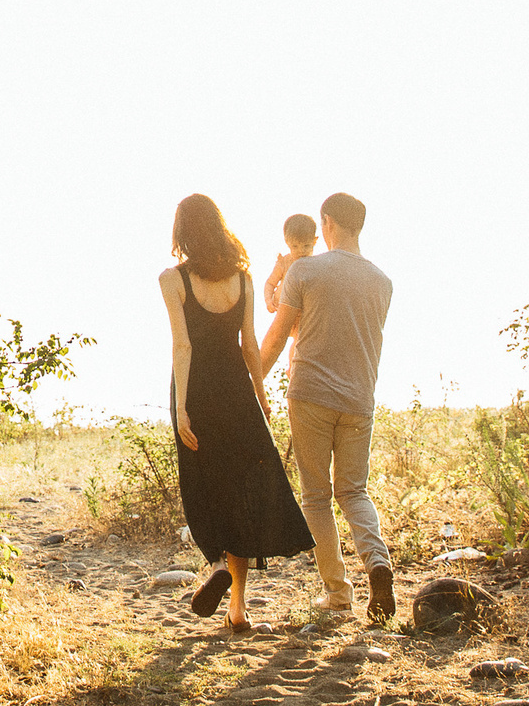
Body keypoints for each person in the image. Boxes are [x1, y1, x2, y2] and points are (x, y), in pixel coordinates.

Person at [159, 193, 315, 631]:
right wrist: (261, 394)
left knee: (207, 485)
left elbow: (183, 345)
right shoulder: (244, 280)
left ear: (182, 231)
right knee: (242, 487)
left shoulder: (173, 280)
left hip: (198, 391)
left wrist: (182, 407)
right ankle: (238, 608)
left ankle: (217, 566)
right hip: (236, 389)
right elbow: (249, 343)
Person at [257, 192, 396, 621]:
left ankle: (337, 592)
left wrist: (252, 381)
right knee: (354, 491)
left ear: (327, 224)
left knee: (317, 497)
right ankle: (378, 564)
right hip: (359, 399)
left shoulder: (305, 270)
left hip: (311, 394)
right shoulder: (382, 281)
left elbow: (279, 336)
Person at [261, 213, 321, 399]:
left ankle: (292, 372)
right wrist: (269, 300)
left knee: (298, 344)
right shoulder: (285, 262)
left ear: (315, 241)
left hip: (304, 315)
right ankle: (256, 376)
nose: (301, 251)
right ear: (287, 242)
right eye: (295, 246)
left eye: (306, 246)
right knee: (273, 340)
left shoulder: (317, 264)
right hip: (284, 310)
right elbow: (270, 283)